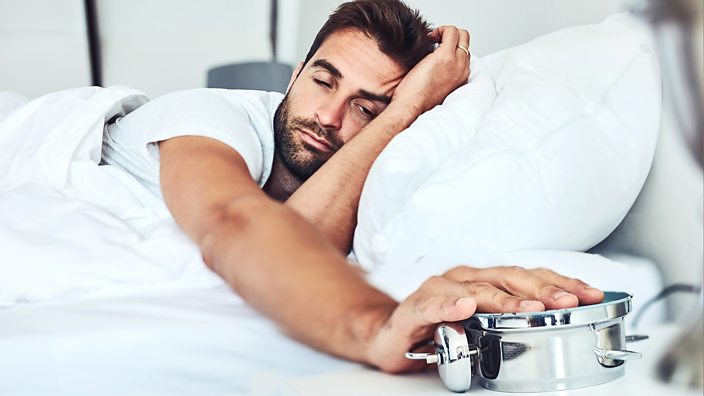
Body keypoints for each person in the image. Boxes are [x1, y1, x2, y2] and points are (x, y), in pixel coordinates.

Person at [102, 0, 604, 373]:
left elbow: (290, 240)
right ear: (296, 73)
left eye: (367, 108)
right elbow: (246, 232)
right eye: (323, 81)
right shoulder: (207, 116)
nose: (328, 117)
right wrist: (375, 327)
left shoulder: (366, 180)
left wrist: (408, 112)